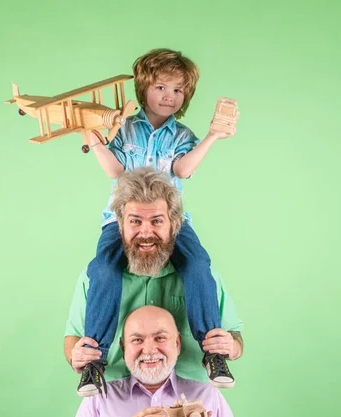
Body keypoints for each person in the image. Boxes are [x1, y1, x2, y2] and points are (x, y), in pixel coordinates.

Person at [78, 48, 237, 396]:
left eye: (178, 91)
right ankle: (94, 360)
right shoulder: (124, 129)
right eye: (161, 87)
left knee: (197, 265)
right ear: (144, 89)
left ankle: (213, 352)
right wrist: (91, 137)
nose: (169, 96)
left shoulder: (180, 135)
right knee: (103, 269)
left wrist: (212, 136)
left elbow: (183, 169)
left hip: (170, 222)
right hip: (124, 221)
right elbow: (115, 171)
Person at [66, 168, 243, 396]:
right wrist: (76, 355)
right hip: (113, 395)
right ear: (120, 225)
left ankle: (213, 359)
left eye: (157, 221)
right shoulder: (96, 277)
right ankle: (95, 367)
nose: (145, 232)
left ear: (175, 224)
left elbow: (235, 335)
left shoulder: (202, 275)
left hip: (191, 396)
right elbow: (72, 336)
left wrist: (232, 347)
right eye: (135, 221)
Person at [61, 305, 253, 417]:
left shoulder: (206, 394)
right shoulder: (100, 397)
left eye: (160, 338)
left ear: (177, 344)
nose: (150, 350)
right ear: (123, 347)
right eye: (137, 340)